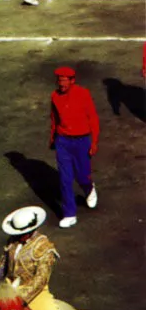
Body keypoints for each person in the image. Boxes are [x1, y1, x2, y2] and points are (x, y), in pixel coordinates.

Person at [50, 66, 99, 229]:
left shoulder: (83, 94)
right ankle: (69, 213)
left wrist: (94, 142)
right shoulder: (55, 96)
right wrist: (52, 139)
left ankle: (89, 188)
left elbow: (93, 117)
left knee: (83, 175)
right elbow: (54, 120)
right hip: (63, 141)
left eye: (64, 81)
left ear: (72, 81)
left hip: (82, 141)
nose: (61, 85)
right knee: (65, 179)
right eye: (59, 81)